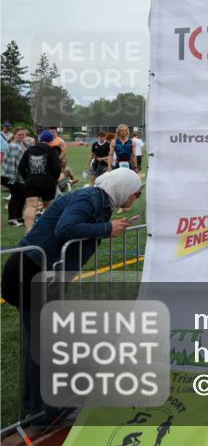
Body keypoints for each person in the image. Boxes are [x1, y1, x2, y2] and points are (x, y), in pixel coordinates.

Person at [0, 169, 142, 433]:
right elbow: (65, 228)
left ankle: (39, 410)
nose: (136, 197)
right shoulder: (89, 197)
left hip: (40, 272)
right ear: (123, 188)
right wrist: (106, 228)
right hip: (32, 271)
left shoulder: (100, 201)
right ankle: (43, 413)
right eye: (136, 192)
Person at [18, 130, 61, 231]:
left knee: (31, 206)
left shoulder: (29, 150)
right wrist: (54, 180)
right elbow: (57, 169)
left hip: (31, 181)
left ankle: (28, 231)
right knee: (48, 207)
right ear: (51, 140)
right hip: (48, 182)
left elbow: (20, 168)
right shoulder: (52, 150)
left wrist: (27, 178)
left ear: (40, 139)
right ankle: (46, 230)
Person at [2, 127, 28, 226]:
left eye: (23, 134)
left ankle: (19, 217)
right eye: (19, 134)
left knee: (22, 197)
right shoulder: (13, 145)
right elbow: (13, 163)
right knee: (15, 197)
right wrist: (12, 179)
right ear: (15, 135)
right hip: (13, 176)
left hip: (22, 177)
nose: (21, 136)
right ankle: (11, 220)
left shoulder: (25, 144)